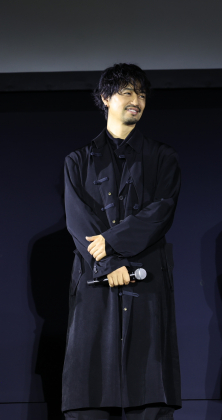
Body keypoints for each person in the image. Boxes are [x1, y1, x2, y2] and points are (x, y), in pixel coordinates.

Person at [62, 63, 182, 419]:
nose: (136, 101)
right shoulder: (77, 161)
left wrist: (111, 243)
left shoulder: (163, 157)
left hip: (146, 280)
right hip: (96, 283)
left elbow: (161, 211)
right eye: (127, 93)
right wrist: (109, 263)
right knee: (91, 391)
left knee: (149, 390)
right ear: (105, 98)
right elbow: (78, 220)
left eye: (141, 94)